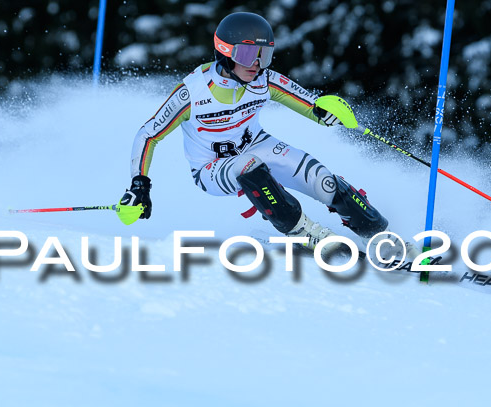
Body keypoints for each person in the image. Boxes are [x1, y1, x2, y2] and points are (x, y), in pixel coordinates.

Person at [119, 11, 406, 262]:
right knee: (249, 167)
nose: (256, 64)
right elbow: (148, 135)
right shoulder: (192, 92)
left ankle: (382, 236)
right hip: (211, 167)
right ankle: (303, 231)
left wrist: (327, 112)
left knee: (324, 179)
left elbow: (311, 106)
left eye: (263, 55)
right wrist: (139, 183)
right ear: (225, 51)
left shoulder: (263, 80)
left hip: (257, 145)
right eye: (247, 54)